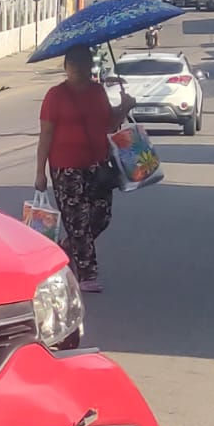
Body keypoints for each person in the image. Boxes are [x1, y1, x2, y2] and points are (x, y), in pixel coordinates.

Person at [34, 45, 135, 293]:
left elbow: (109, 124)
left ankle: (64, 249)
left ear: (91, 66)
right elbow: (45, 135)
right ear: (66, 67)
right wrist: (40, 172)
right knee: (77, 220)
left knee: (101, 216)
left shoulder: (98, 91)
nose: (79, 69)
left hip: (97, 165)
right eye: (74, 64)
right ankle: (88, 274)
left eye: (84, 64)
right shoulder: (55, 96)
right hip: (65, 167)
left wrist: (124, 107)